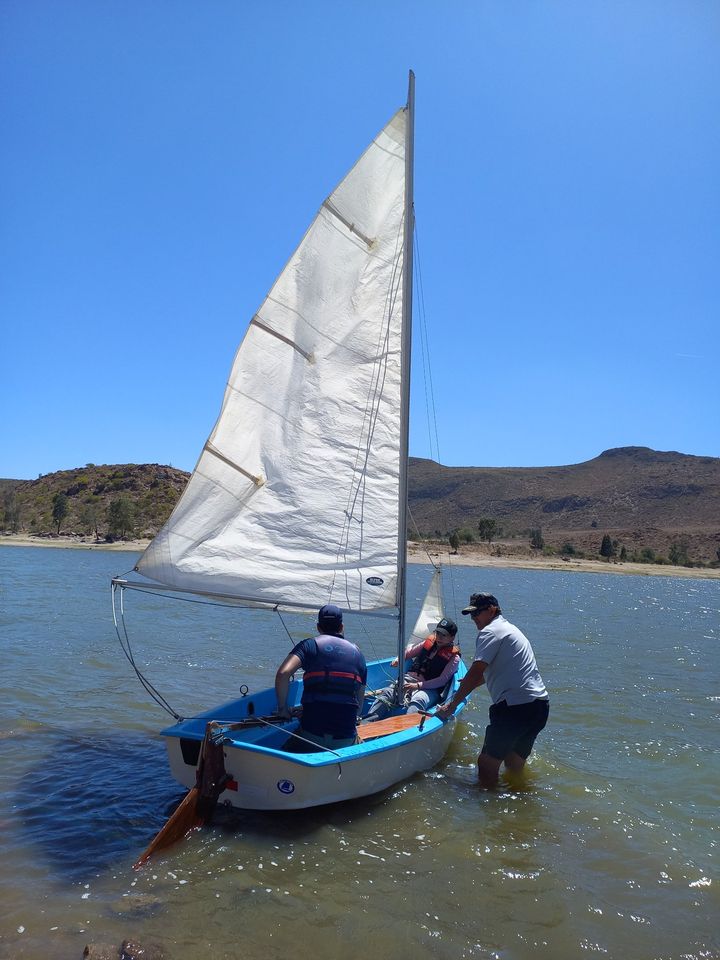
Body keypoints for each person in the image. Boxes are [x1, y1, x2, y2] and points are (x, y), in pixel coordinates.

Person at [436, 593, 549, 789]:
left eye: (477, 613)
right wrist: (471, 682)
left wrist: (451, 704)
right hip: (539, 706)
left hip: (515, 708)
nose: (473, 619)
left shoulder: (490, 631)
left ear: (492, 610)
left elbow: (476, 670)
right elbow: (491, 672)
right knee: (514, 764)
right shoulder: (510, 629)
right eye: (471, 615)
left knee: (486, 764)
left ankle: (488, 807)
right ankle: (517, 803)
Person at [275, 604, 367, 752]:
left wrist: (283, 710)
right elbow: (358, 710)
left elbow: (283, 674)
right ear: (342, 627)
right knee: (359, 742)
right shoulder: (358, 655)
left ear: (318, 627)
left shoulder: (309, 646)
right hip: (344, 739)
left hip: (311, 736)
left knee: (288, 746)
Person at [366, 617, 461, 721]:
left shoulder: (454, 658)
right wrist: (399, 659)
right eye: (438, 633)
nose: (439, 637)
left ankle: (406, 728)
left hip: (429, 689)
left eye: (444, 635)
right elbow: (409, 653)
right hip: (409, 679)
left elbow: (442, 681)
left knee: (418, 699)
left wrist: (417, 686)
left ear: (452, 637)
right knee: (388, 692)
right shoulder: (428, 643)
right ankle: (368, 722)